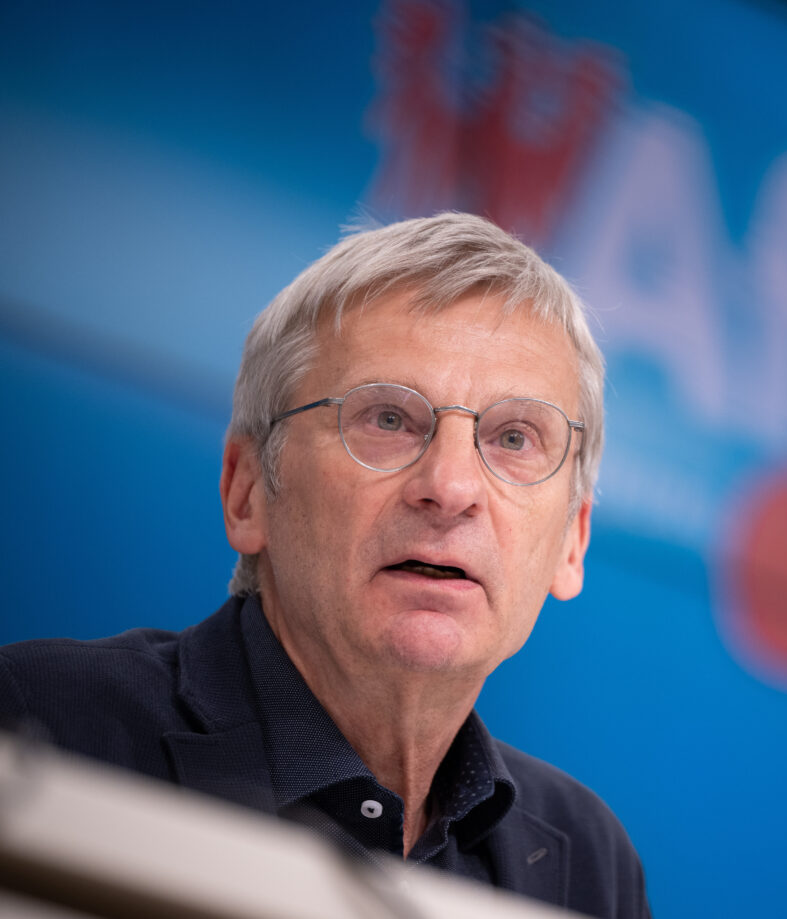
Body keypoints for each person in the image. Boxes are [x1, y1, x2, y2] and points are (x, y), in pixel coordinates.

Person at [0, 213, 650, 918]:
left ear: (572, 542)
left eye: (515, 436)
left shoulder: (587, 862)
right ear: (247, 489)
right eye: (388, 419)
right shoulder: (38, 722)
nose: (452, 486)